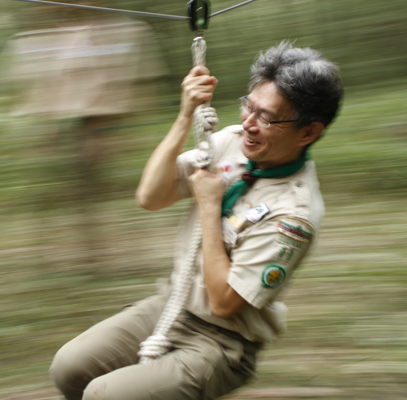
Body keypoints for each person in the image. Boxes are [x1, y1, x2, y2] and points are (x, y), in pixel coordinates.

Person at [50, 41, 343, 400]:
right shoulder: (232, 143)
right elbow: (150, 197)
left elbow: (223, 303)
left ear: (309, 132)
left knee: (105, 394)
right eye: (248, 106)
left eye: (266, 117)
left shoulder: (294, 216)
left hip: (221, 341)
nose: (247, 124)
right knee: (68, 367)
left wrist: (208, 207)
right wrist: (184, 116)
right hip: (172, 303)